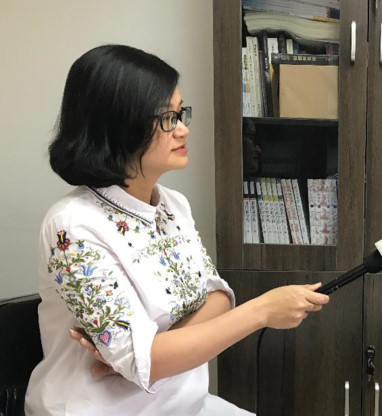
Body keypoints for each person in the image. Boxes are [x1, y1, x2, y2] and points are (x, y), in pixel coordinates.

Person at [25, 44, 329, 415]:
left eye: (181, 113)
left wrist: (152, 354)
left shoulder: (172, 204)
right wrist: (261, 311)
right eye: (168, 119)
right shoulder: (72, 226)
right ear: (120, 126)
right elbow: (148, 359)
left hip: (184, 403)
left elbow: (218, 297)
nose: (183, 129)